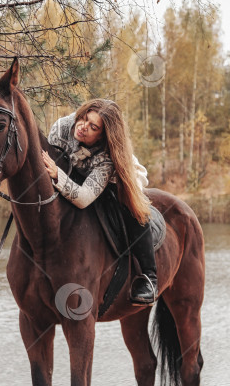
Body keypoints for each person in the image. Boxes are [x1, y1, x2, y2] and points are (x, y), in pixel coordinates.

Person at [42, 99, 157, 306]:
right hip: (73, 173)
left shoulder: (107, 157)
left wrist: (57, 175)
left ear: (103, 136)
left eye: (93, 127)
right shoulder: (61, 128)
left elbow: (84, 197)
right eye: (84, 118)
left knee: (131, 206)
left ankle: (149, 277)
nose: (83, 127)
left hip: (117, 178)